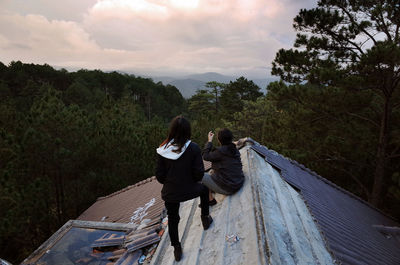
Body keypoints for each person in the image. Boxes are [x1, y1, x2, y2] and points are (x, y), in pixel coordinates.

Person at [155, 115, 213, 262]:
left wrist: (172, 183)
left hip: (171, 193)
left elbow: (160, 176)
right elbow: (199, 173)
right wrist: (189, 182)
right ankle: (205, 218)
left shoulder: (163, 149)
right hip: (189, 189)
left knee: (173, 220)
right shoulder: (193, 148)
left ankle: (176, 248)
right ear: (188, 130)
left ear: (172, 130)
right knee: (204, 190)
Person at [201, 128, 245, 204]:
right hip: (238, 182)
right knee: (212, 171)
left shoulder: (220, 152)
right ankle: (211, 189)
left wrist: (209, 141)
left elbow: (205, 156)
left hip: (228, 188)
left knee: (200, 175)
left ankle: (210, 200)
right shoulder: (233, 148)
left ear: (219, 140)